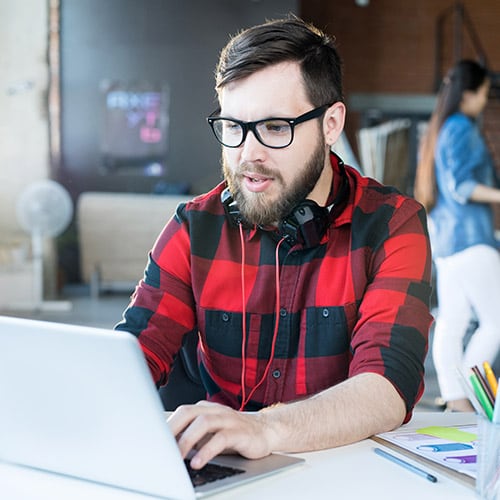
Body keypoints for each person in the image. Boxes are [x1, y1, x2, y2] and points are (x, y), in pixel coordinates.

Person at [116, 16, 433, 469]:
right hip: (221, 470)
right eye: (233, 127)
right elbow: (132, 358)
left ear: (330, 124)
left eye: (275, 128)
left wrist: (265, 428)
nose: (248, 154)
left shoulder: (392, 225)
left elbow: (387, 387)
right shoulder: (194, 227)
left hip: (345, 475)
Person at [414, 59, 500, 412]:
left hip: (448, 242)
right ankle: (477, 392)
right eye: (482, 93)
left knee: (454, 321)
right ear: (469, 93)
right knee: (495, 322)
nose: (484, 101)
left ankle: (457, 399)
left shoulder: (441, 129)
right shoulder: (462, 128)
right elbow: (462, 186)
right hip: (472, 240)